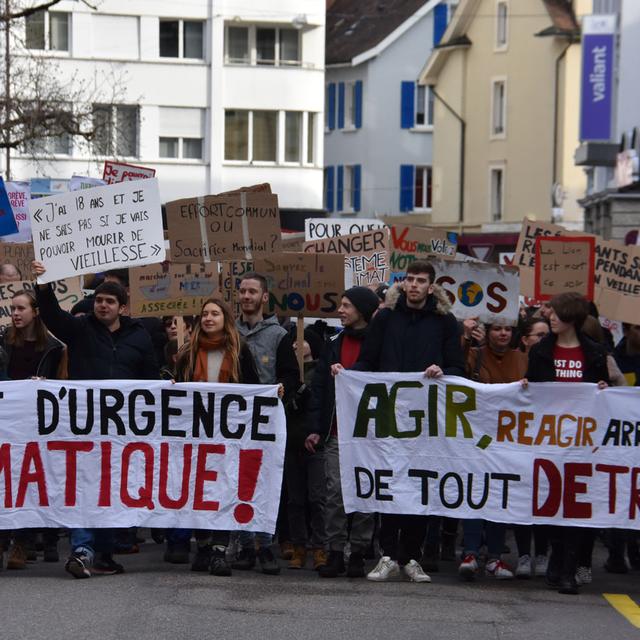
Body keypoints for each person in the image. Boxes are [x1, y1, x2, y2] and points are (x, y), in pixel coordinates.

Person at [31, 260, 158, 579]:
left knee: (111, 491)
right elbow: (51, 315)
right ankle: (82, 549)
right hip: (84, 426)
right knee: (84, 487)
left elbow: (150, 378)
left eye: (110, 301)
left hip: (121, 431)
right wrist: (44, 285)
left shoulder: (139, 336)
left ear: (123, 308)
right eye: (99, 300)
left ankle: (103, 554)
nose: (102, 305)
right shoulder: (80, 329)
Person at [346, 261, 465, 583]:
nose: (414, 285)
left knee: (419, 485)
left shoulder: (445, 322)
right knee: (389, 482)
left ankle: (411, 556)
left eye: (421, 281)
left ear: (431, 286)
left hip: (425, 420)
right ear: (403, 283)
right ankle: (387, 555)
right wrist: (348, 375)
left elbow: (457, 366)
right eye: (410, 279)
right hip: (388, 414)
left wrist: (443, 372)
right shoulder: (385, 318)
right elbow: (369, 359)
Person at [523, 292, 609, 595]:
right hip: (549, 440)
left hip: (582, 442)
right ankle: (557, 557)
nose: (551, 318)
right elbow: (532, 387)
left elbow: (605, 395)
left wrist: (602, 388)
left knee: (576, 505)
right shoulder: (541, 351)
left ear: (571, 317)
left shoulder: (595, 352)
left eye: (557, 314)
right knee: (550, 503)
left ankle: (569, 570)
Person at [170, 297, 260, 576]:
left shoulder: (239, 350)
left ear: (225, 319)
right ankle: (204, 545)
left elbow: (254, 388)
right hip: (194, 434)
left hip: (228, 435)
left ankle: (220, 551)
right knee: (198, 490)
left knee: (222, 489)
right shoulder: (187, 352)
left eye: (215, 314)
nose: (209, 318)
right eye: (205, 314)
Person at [305, 286, 380, 578]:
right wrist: (315, 428)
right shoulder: (334, 342)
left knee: (365, 492)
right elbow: (320, 387)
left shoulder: (379, 343)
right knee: (335, 492)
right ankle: (335, 551)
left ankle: (359, 551)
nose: (341, 310)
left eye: (347, 305)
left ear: (361, 310)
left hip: (370, 434)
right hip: (337, 431)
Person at [233, 272, 299, 575]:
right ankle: (244, 546)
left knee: (265, 485)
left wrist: (282, 388)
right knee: (237, 484)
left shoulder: (279, 336)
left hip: (267, 424)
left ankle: (265, 545)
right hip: (233, 423)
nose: (246, 296)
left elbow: (291, 376)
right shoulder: (228, 332)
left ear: (263, 297)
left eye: (252, 292)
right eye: (242, 291)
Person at [458, 320, 528, 581]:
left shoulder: (522, 359)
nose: (503, 333)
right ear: (487, 332)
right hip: (477, 435)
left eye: (508, 329)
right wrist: (466, 337)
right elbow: (457, 369)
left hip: (508, 438)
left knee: (500, 494)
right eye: (497, 328)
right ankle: (470, 553)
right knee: (477, 491)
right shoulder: (475, 355)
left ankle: (495, 557)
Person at [0, 289, 65, 570]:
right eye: (12, 308)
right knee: (8, 481)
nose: (15, 313)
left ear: (35, 312)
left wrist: (45, 383)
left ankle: (30, 541)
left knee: (36, 479)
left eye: (21, 308)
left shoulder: (52, 346)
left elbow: (62, 381)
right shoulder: (3, 342)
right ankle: (8, 540)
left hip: (39, 423)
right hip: (8, 421)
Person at [285, 326, 327, 571]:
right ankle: (299, 546)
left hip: (315, 444)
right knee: (295, 499)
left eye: (300, 341)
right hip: (292, 441)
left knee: (317, 497)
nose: (295, 345)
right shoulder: (291, 374)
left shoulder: (320, 371)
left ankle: (319, 546)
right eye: (292, 341)